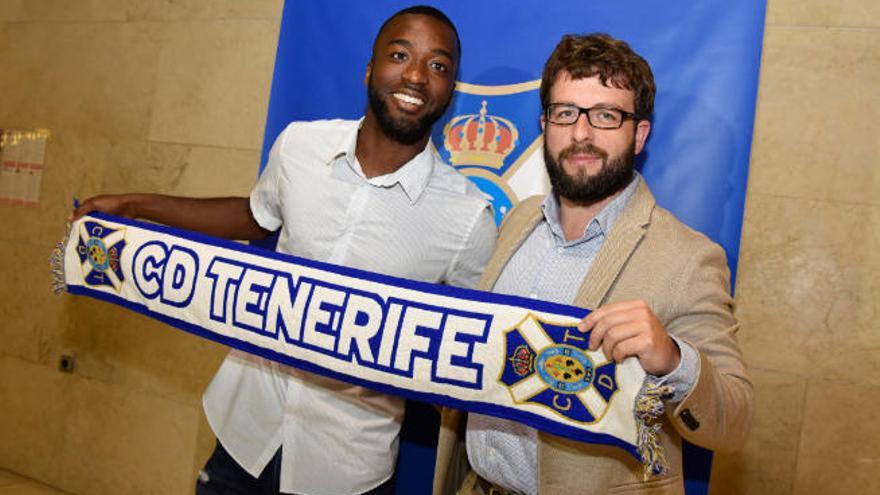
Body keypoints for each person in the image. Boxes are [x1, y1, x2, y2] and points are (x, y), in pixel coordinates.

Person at [73, 6, 497, 495]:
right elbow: (254, 218)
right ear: (369, 68)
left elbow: (472, 347)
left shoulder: (468, 217)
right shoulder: (300, 146)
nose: (417, 75)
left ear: (452, 91)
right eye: (400, 55)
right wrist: (134, 204)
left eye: (439, 66)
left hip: (347, 466)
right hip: (246, 433)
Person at [432, 33, 753, 495]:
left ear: (639, 134)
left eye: (605, 115)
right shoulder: (520, 220)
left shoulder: (689, 257)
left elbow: (734, 422)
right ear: (545, 124)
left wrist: (673, 359)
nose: (581, 134)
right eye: (566, 113)